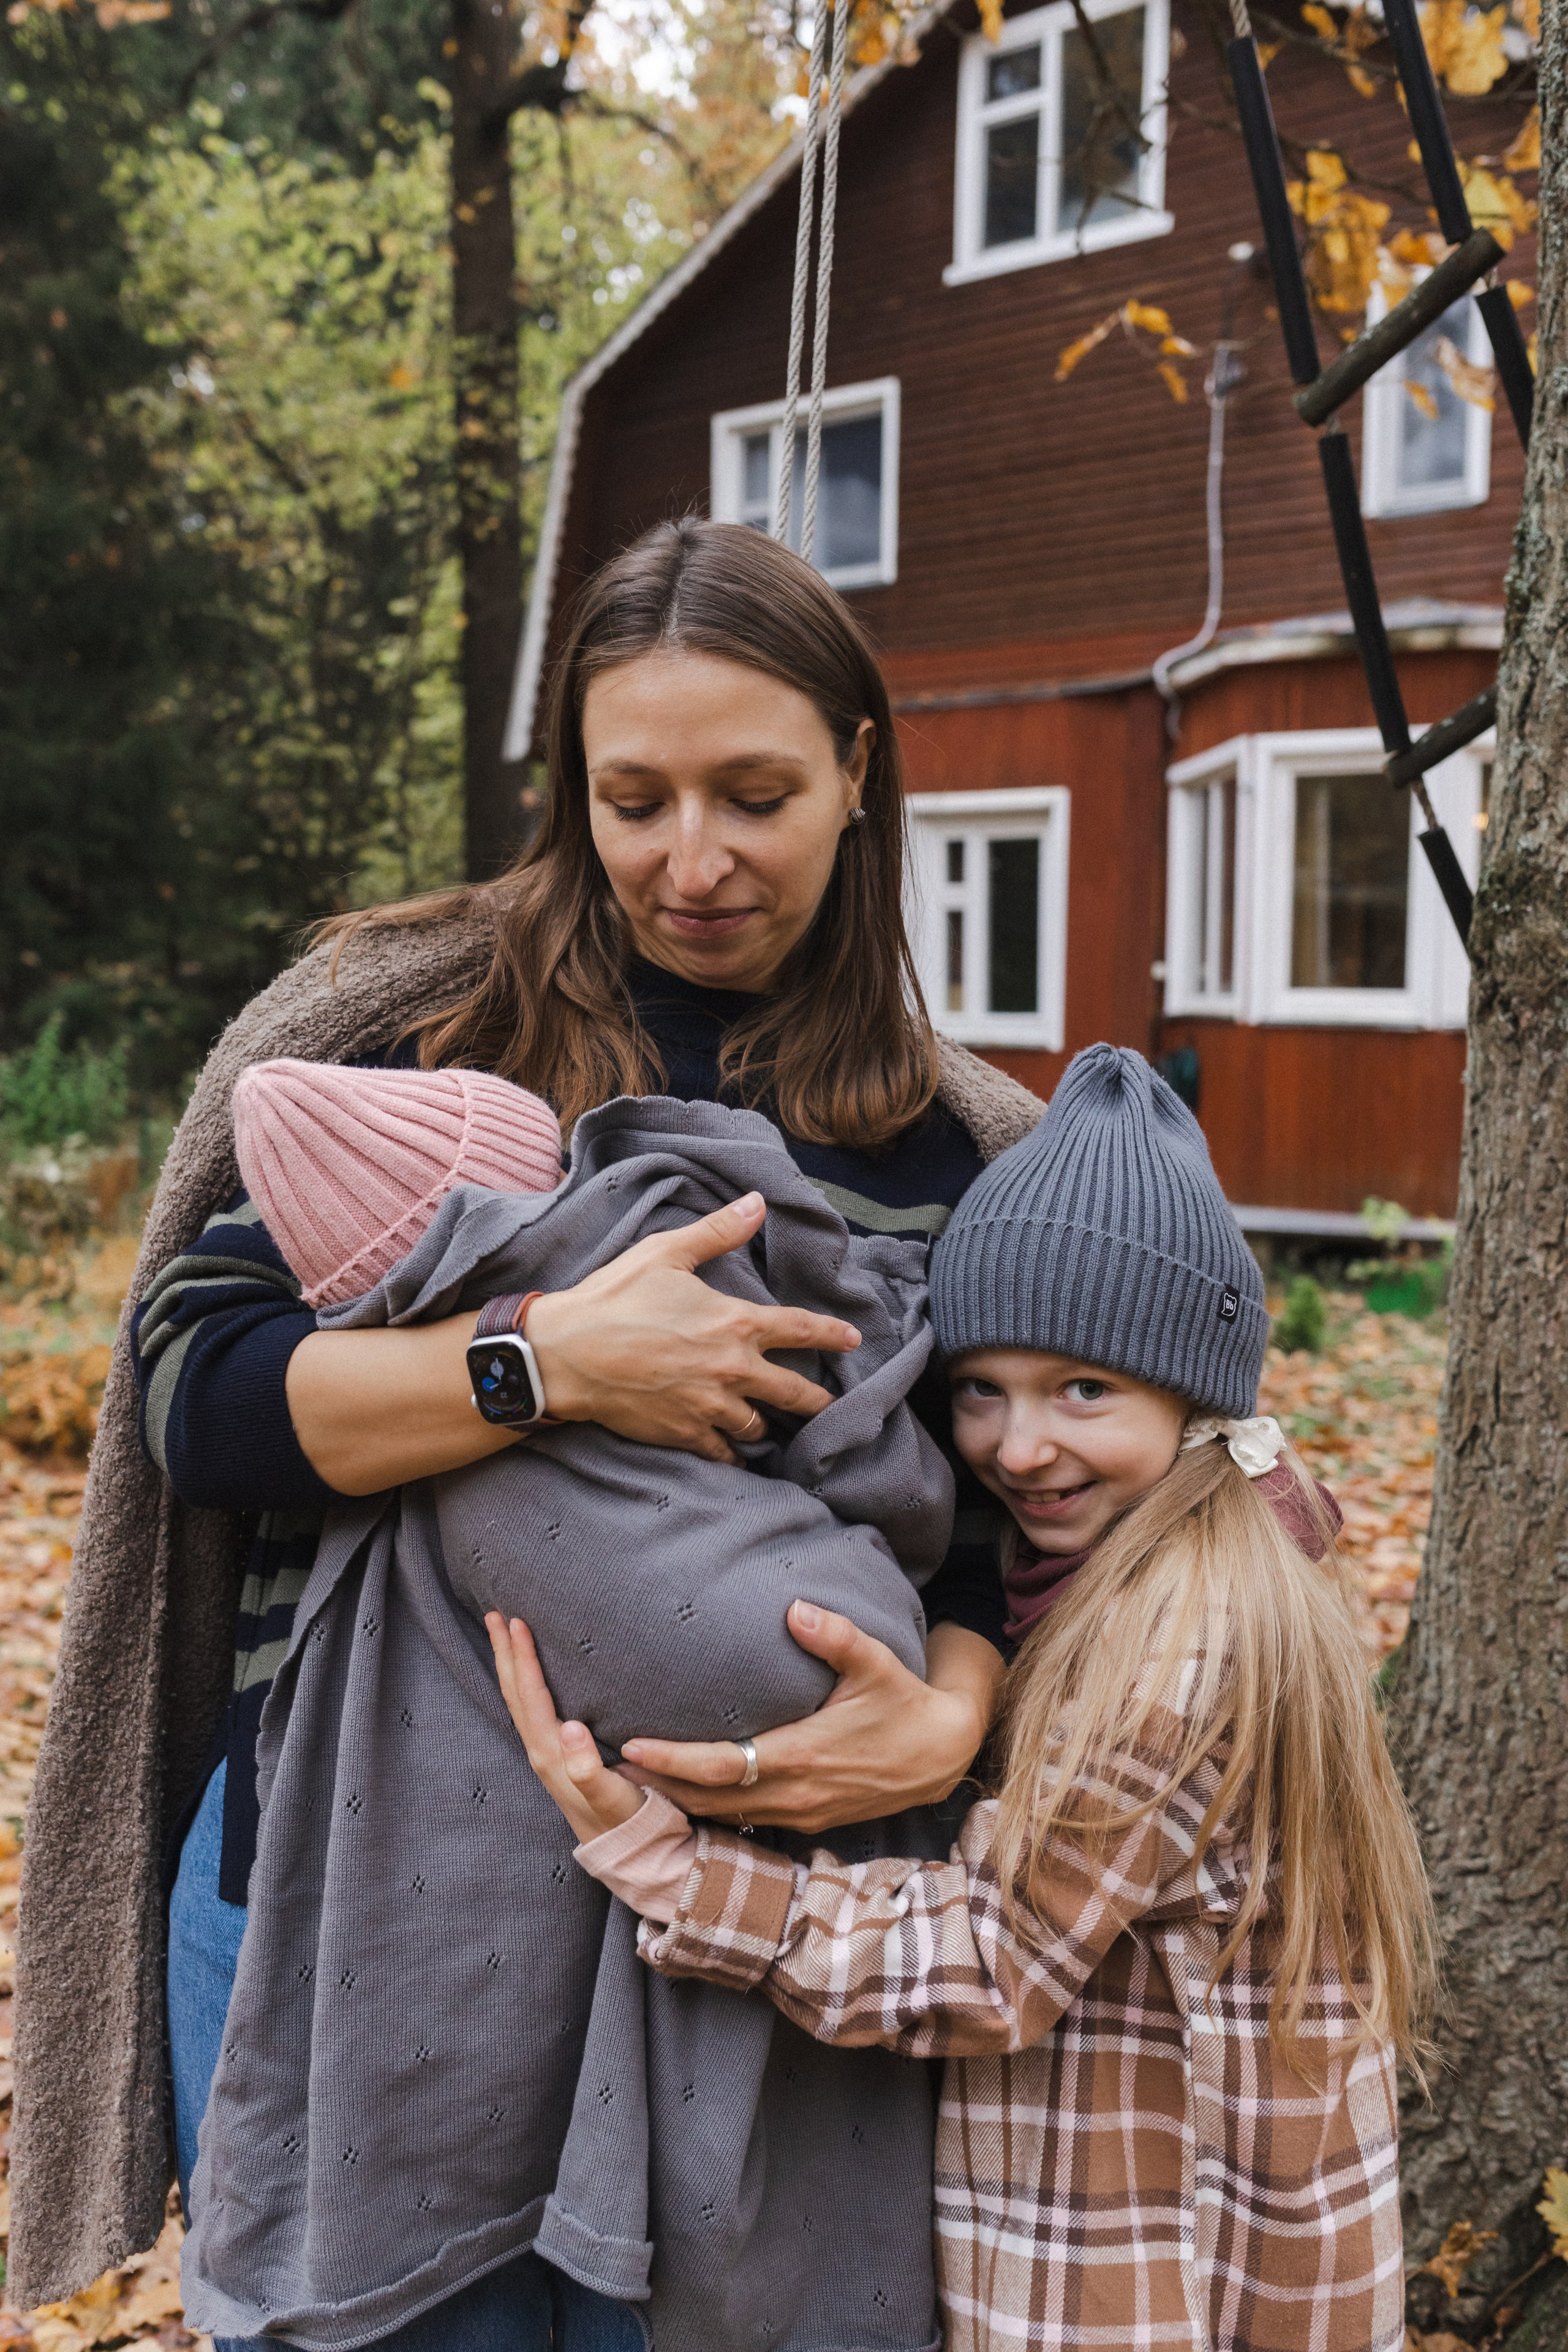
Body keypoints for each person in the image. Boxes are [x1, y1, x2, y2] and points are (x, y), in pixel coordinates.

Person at [10, 518, 1044, 2342]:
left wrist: (942, 1720)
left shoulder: (956, 1148)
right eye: (633, 799)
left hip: (757, 1946)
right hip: (355, 1912)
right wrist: (545, 1363)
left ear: (860, 773)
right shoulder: (418, 1036)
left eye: (754, 794)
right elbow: (202, 1396)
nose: (692, 860)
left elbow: (1005, 1530)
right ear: (571, 784)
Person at [496, 1045, 1434, 2352]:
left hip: (1144, 2276)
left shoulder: (1183, 1646)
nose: (1017, 1445)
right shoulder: (1181, 1559)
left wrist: (675, 1870)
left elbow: (988, 1962)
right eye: (980, 1392)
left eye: (1083, 1391)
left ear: (1195, 1392)